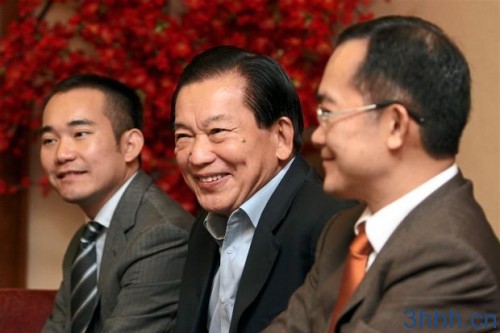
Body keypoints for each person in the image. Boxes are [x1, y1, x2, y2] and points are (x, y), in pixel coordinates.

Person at [264, 15, 500, 333]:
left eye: (330, 113)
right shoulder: (344, 231)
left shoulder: (453, 260)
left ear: (395, 125)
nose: (317, 137)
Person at [171, 45, 354, 333]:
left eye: (217, 132)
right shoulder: (205, 228)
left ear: (281, 136)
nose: (197, 156)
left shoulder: (333, 225)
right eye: (183, 136)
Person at [40, 73, 194, 333]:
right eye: (49, 140)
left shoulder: (161, 234)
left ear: (130, 145)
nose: (62, 154)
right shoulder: (85, 239)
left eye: (80, 133)